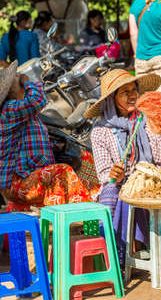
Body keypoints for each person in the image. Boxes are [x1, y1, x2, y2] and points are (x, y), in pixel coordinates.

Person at [85, 69, 161, 263]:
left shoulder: (148, 119)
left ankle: (149, 249)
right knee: (111, 193)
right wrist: (116, 174)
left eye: (134, 89)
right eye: (124, 92)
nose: (132, 95)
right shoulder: (100, 132)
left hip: (155, 183)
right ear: (112, 99)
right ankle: (113, 259)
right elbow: (105, 174)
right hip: (121, 187)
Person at [0, 61, 99, 212]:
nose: (20, 78)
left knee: (84, 157)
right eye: (17, 78)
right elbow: (37, 101)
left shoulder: (21, 112)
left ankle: (99, 201)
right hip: (17, 183)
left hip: (29, 173)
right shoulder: (9, 110)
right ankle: (86, 218)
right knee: (62, 171)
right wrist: (28, 82)